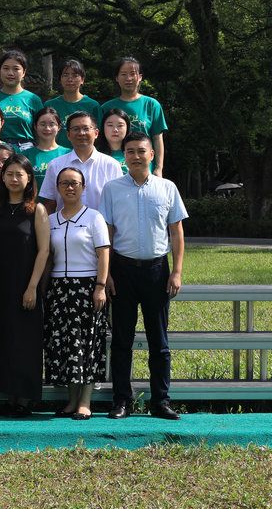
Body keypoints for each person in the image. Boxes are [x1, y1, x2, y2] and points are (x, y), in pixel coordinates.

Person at [101, 132, 188, 421]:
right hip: (122, 271)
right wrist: (107, 273)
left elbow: (176, 232)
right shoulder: (112, 189)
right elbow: (107, 233)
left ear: (152, 155)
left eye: (141, 151)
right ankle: (121, 401)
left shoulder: (167, 187)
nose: (136, 156)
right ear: (124, 156)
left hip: (156, 271)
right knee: (121, 340)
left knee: (159, 342)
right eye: (130, 151)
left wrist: (176, 272)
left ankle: (161, 401)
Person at [0, 154, 50, 416]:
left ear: (29, 178)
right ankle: (7, 397)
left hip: (25, 284)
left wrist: (32, 287)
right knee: (1, 338)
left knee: (24, 341)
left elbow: (44, 251)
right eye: (9, 174)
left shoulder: (36, 210)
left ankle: (24, 400)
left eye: (19, 174)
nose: (14, 179)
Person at [46, 166, 110, 420]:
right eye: (64, 183)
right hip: (58, 289)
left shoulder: (94, 217)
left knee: (87, 344)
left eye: (75, 183)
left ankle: (85, 401)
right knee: (65, 344)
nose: (70, 188)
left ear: (83, 187)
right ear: (58, 188)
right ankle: (71, 400)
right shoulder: (51, 220)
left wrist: (100, 286)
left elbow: (103, 253)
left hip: (87, 288)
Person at [38, 112, 124, 212]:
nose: (81, 133)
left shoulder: (111, 165)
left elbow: (119, 202)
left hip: (102, 222)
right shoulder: (55, 165)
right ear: (68, 135)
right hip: (65, 222)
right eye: (76, 129)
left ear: (96, 133)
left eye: (86, 128)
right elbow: (49, 204)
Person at [101, 57, 168, 176]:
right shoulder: (106, 107)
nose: (128, 78)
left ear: (140, 77)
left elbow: (157, 138)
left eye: (133, 74)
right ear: (117, 78)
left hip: (145, 167)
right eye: (123, 74)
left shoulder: (151, 104)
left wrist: (159, 167)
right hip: (112, 167)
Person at [0, 49, 44, 149]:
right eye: (6, 68)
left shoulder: (33, 99)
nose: (10, 73)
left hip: (26, 149)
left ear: (24, 72)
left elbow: (40, 131)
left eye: (16, 69)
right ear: (0, 70)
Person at [44, 59, 101, 149]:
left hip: (84, 154)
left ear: (82, 80)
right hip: (57, 154)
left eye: (75, 75)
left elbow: (99, 136)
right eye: (65, 75)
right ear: (60, 79)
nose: (70, 79)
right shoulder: (50, 105)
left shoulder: (93, 105)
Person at [25, 107, 70, 193]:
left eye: (52, 124)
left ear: (59, 127)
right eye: (42, 124)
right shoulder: (26, 155)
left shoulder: (68, 153)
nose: (47, 128)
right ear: (35, 126)